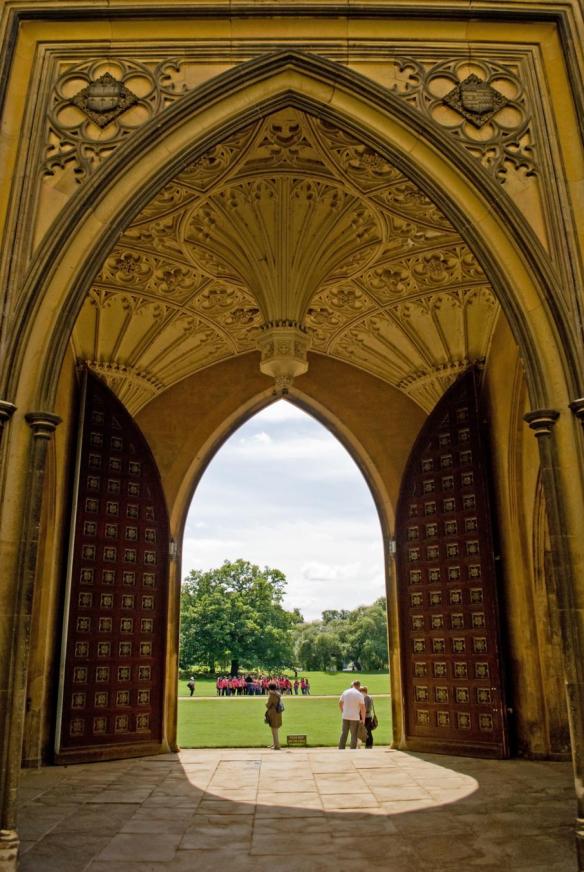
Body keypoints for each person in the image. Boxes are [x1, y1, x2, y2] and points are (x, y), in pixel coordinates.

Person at [338, 679, 365, 749]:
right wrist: (363, 720)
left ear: (353, 685)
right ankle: (352, 750)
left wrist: (343, 712)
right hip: (355, 717)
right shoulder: (359, 694)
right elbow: (363, 708)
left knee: (344, 733)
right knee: (354, 735)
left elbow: (340, 703)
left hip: (345, 716)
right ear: (359, 686)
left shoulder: (345, 692)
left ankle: (341, 748)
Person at [265, 681, 283, 750]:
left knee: (274, 729)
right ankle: (274, 743)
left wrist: (266, 703)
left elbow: (268, 705)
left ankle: (277, 745)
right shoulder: (277, 694)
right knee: (275, 729)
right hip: (278, 712)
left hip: (273, 713)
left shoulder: (272, 695)